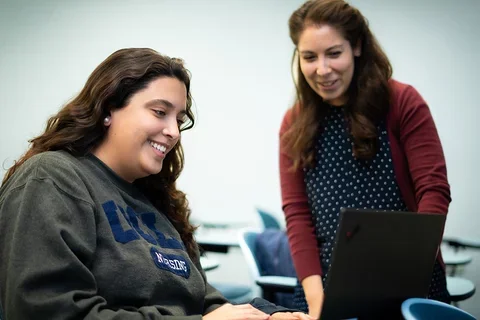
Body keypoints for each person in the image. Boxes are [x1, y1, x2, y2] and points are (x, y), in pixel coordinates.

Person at [0, 48, 313, 320]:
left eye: (179, 119)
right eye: (160, 112)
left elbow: (204, 301)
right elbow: (48, 312)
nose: (174, 132)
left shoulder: (155, 200)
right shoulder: (52, 178)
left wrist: (270, 315)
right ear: (109, 107)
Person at [279, 0, 451, 317]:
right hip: (323, 287)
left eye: (334, 53)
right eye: (309, 57)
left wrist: (409, 272)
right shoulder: (295, 122)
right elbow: (298, 215)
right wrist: (319, 303)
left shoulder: (401, 102)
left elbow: (434, 190)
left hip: (409, 281)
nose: (322, 69)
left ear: (356, 46)